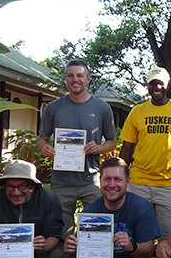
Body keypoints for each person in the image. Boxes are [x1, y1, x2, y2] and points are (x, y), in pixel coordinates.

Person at [37, 59, 117, 238]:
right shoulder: (53, 108)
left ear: (88, 79)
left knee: (95, 230)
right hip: (61, 181)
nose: (75, 79)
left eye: (79, 75)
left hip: (91, 181)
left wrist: (98, 147)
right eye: (70, 75)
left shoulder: (102, 108)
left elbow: (112, 142)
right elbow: (41, 139)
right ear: (65, 79)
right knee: (61, 232)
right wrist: (45, 148)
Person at [119, 67, 171, 239]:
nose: (157, 88)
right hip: (139, 182)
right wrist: (120, 179)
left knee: (170, 237)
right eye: (152, 84)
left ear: (167, 85)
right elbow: (126, 150)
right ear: (148, 87)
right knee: (135, 233)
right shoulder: (137, 112)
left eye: (160, 84)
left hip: (169, 184)